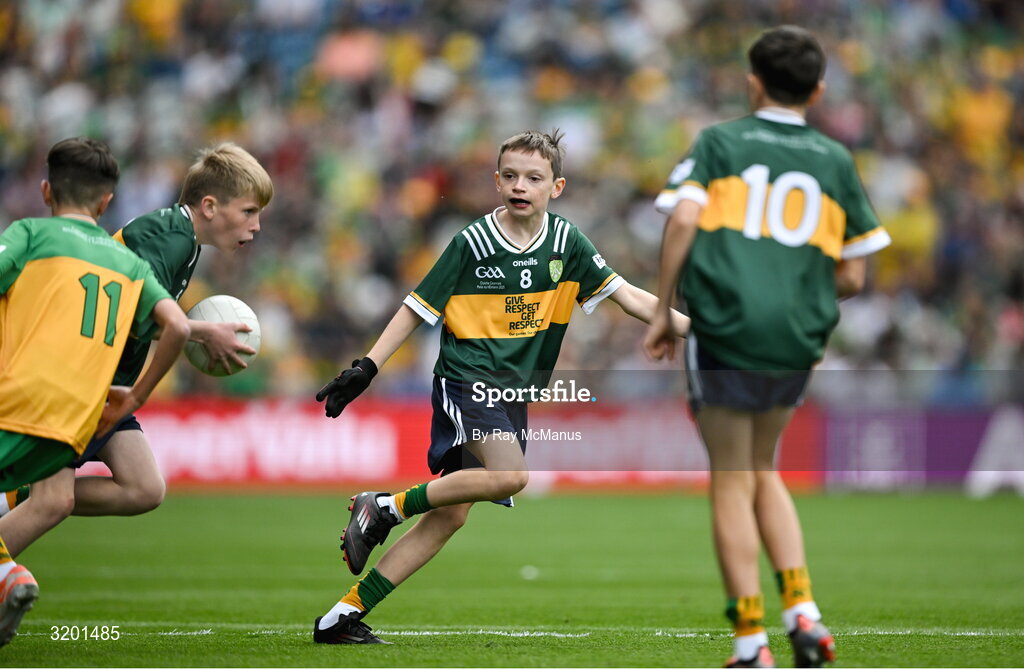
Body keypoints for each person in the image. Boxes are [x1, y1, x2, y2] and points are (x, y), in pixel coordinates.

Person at [312, 129, 690, 644]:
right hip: (468, 379)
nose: (520, 185)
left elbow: (630, 297)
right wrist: (368, 367)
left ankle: (343, 615)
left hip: (511, 395)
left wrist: (704, 331)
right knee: (512, 476)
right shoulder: (473, 242)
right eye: (510, 176)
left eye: (534, 178)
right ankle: (383, 507)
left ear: (556, 186)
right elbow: (416, 307)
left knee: (450, 516)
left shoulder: (567, 243)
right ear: (496, 181)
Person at [643, 26, 891, 669]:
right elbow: (855, 275)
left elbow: (685, 219)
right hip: (795, 337)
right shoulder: (835, 159)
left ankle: (752, 643)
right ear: (819, 89)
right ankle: (804, 614)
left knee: (730, 480)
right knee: (764, 468)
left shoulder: (720, 142)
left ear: (752, 81)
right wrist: (791, 296)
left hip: (725, 326)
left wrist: (666, 311)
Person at [0, 143, 273, 561]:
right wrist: (204, 333)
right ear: (210, 206)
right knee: (53, 503)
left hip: (108, 383)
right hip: (84, 378)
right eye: (249, 212)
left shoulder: (185, 240)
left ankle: (20, 494)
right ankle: (23, 500)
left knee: (143, 487)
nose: (255, 227)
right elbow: (132, 310)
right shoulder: (169, 239)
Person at [0, 137, 191, 646]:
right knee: (54, 500)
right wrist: (137, 397)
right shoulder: (128, 263)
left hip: (15, 399)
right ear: (107, 203)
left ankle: (7, 574)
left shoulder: (30, 234)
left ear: (45, 191)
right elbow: (176, 326)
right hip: (77, 414)